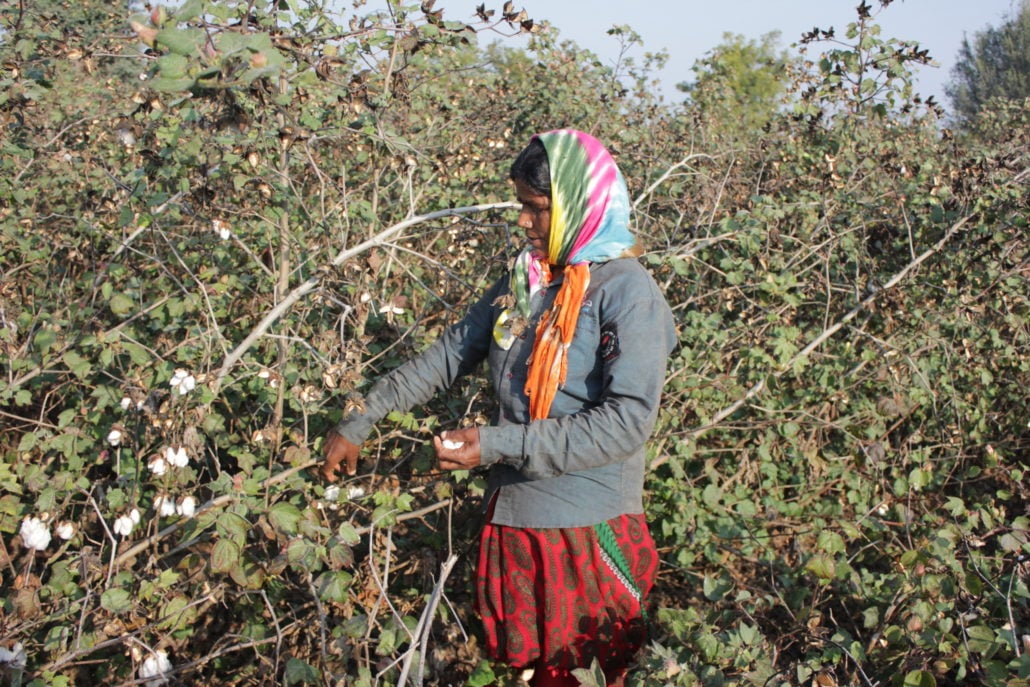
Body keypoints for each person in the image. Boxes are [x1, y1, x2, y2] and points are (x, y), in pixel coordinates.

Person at [321, 129, 676, 687]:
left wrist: (495, 444)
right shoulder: (527, 282)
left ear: (581, 206)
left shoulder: (627, 294)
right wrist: (360, 418)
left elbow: (626, 423)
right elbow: (446, 357)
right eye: (522, 207)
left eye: (537, 209)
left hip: (585, 531)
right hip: (514, 519)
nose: (524, 223)